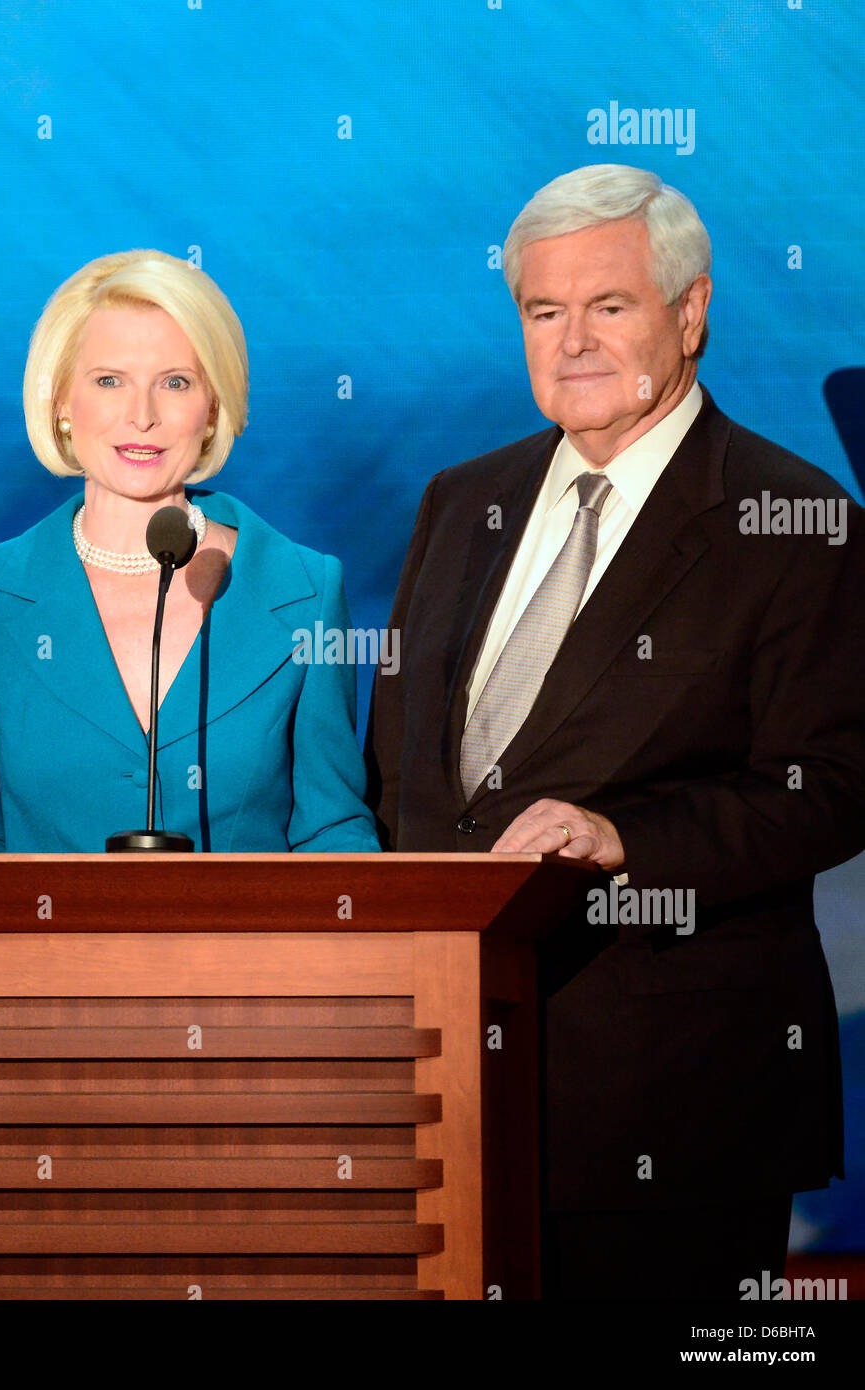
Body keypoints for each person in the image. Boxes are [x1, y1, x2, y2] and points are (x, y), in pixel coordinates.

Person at [365, 164, 865, 1298]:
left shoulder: (795, 520)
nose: (573, 339)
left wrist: (625, 835)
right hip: (444, 1087)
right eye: (546, 311)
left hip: (674, 1100)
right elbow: (404, 772)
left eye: (610, 305)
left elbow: (833, 783)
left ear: (690, 313)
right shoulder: (461, 500)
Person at [0, 250, 379, 855]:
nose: (142, 416)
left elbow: (333, 830)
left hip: (248, 949)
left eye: (175, 382)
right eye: (109, 381)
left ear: (213, 406)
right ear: (63, 401)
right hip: (47, 950)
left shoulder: (304, 591)